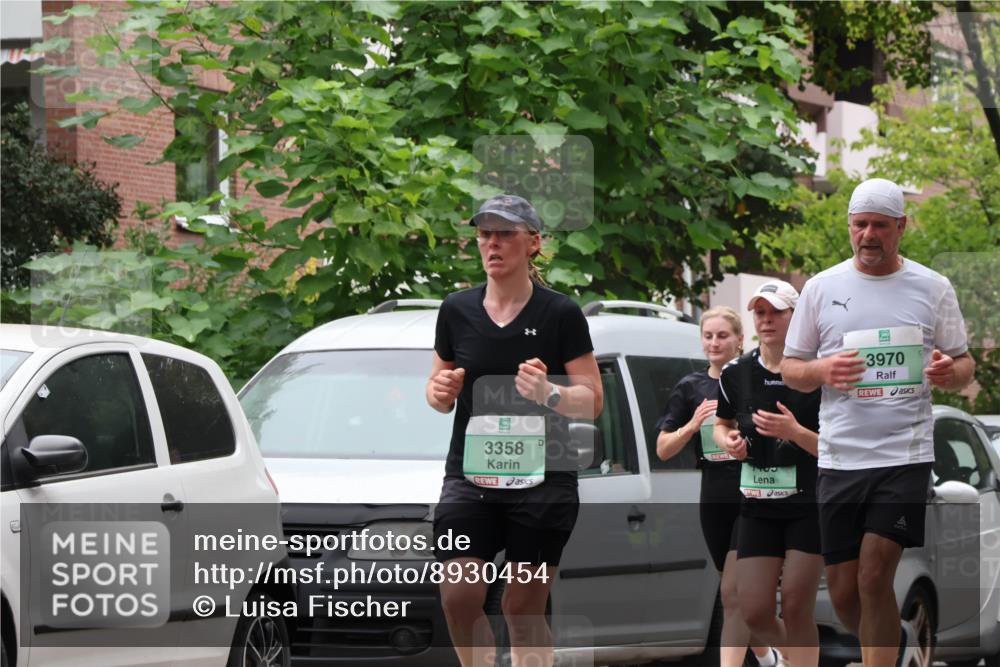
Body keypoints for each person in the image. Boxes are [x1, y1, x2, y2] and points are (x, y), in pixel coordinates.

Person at [780, 178, 975, 667]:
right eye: (860, 224)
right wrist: (824, 370)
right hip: (841, 457)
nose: (869, 235)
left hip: (903, 457)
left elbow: (964, 363)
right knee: (848, 595)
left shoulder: (933, 287)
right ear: (849, 226)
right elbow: (791, 369)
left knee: (873, 576)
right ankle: (894, 635)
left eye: (880, 226)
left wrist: (949, 373)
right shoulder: (822, 288)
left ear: (901, 227)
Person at [426, 194, 603, 667]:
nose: (492, 244)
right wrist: (440, 391)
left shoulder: (560, 313)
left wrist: (550, 392)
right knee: (459, 595)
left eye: (505, 234)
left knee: (520, 606)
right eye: (485, 234)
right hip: (471, 477)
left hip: (544, 480)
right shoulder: (456, 310)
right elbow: (437, 392)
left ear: (534, 244)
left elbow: (593, 400)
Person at [655, 306, 776, 667]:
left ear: (739, 340)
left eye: (723, 335)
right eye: (708, 335)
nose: (714, 342)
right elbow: (663, 449)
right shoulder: (691, 387)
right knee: (737, 596)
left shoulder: (754, 379)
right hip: (713, 494)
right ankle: (770, 658)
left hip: (752, 492)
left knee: (731, 591)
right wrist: (692, 426)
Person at [715, 280, 824, 667]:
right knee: (754, 611)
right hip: (757, 502)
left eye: (776, 311)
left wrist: (794, 432)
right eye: (759, 312)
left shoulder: (815, 372)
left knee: (796, 603)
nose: (766, 319)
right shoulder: (737, 372)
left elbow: (835, 447)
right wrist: (729, 440)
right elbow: (722, 423)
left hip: (809, 502)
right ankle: (800, 657)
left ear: (795, 316)